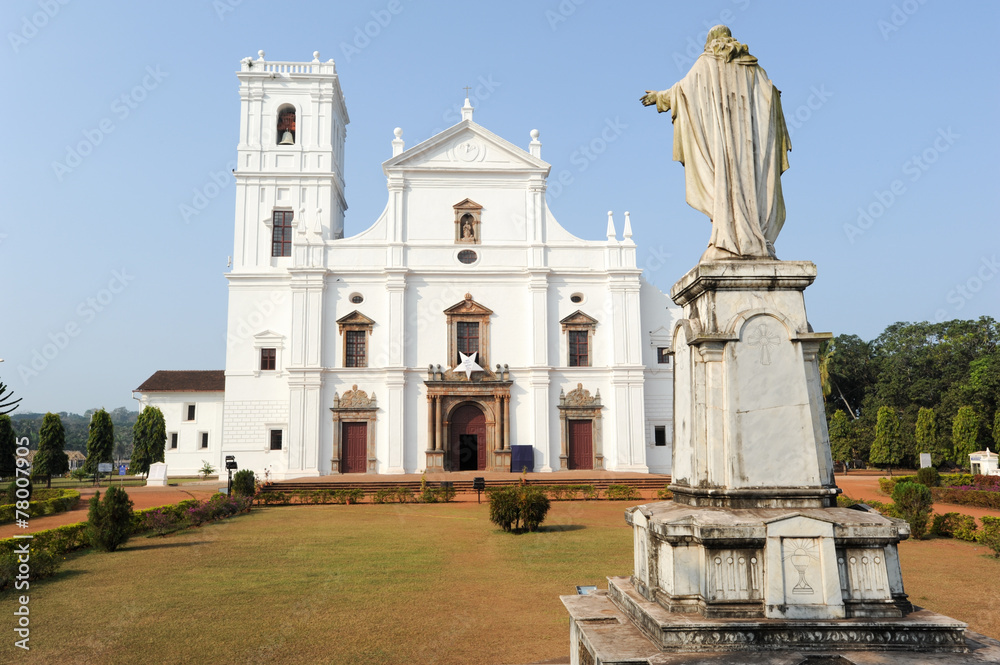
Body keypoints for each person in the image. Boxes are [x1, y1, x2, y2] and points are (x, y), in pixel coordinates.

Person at [641, 25, 791, 261]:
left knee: (723, 181)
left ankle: (728, 239)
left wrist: (659, 97)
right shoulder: (754, 69)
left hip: (723, 144)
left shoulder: (707, 62)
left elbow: (684, 90)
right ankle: (755, 237)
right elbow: (770, 93)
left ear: (711, 41)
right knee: (752, 185)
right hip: (751, 146)